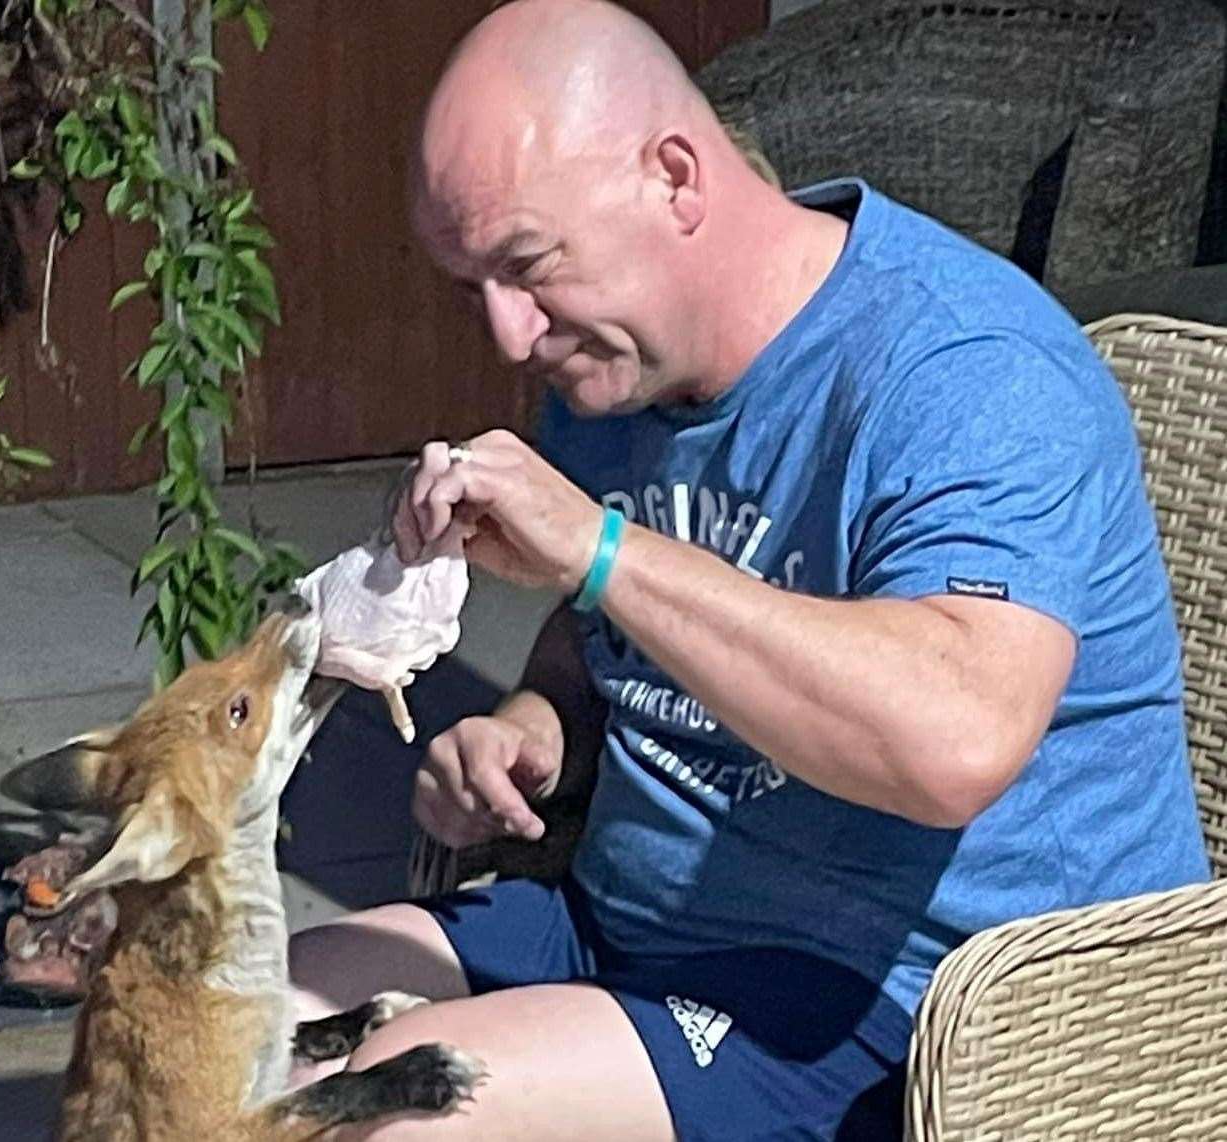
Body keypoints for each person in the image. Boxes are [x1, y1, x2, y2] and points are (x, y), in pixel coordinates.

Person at [287, 1, 1212, 1138]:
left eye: (525, 267)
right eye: (470, 285)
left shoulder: (965, 370)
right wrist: (538, 720)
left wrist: (601, 549)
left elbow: (953, 738)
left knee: (376, 1114)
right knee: (207, 1025)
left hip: (913, 1013)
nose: (508, 335)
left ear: (675, 177)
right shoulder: (614, 368)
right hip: (625, 924)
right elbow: (608, 636)